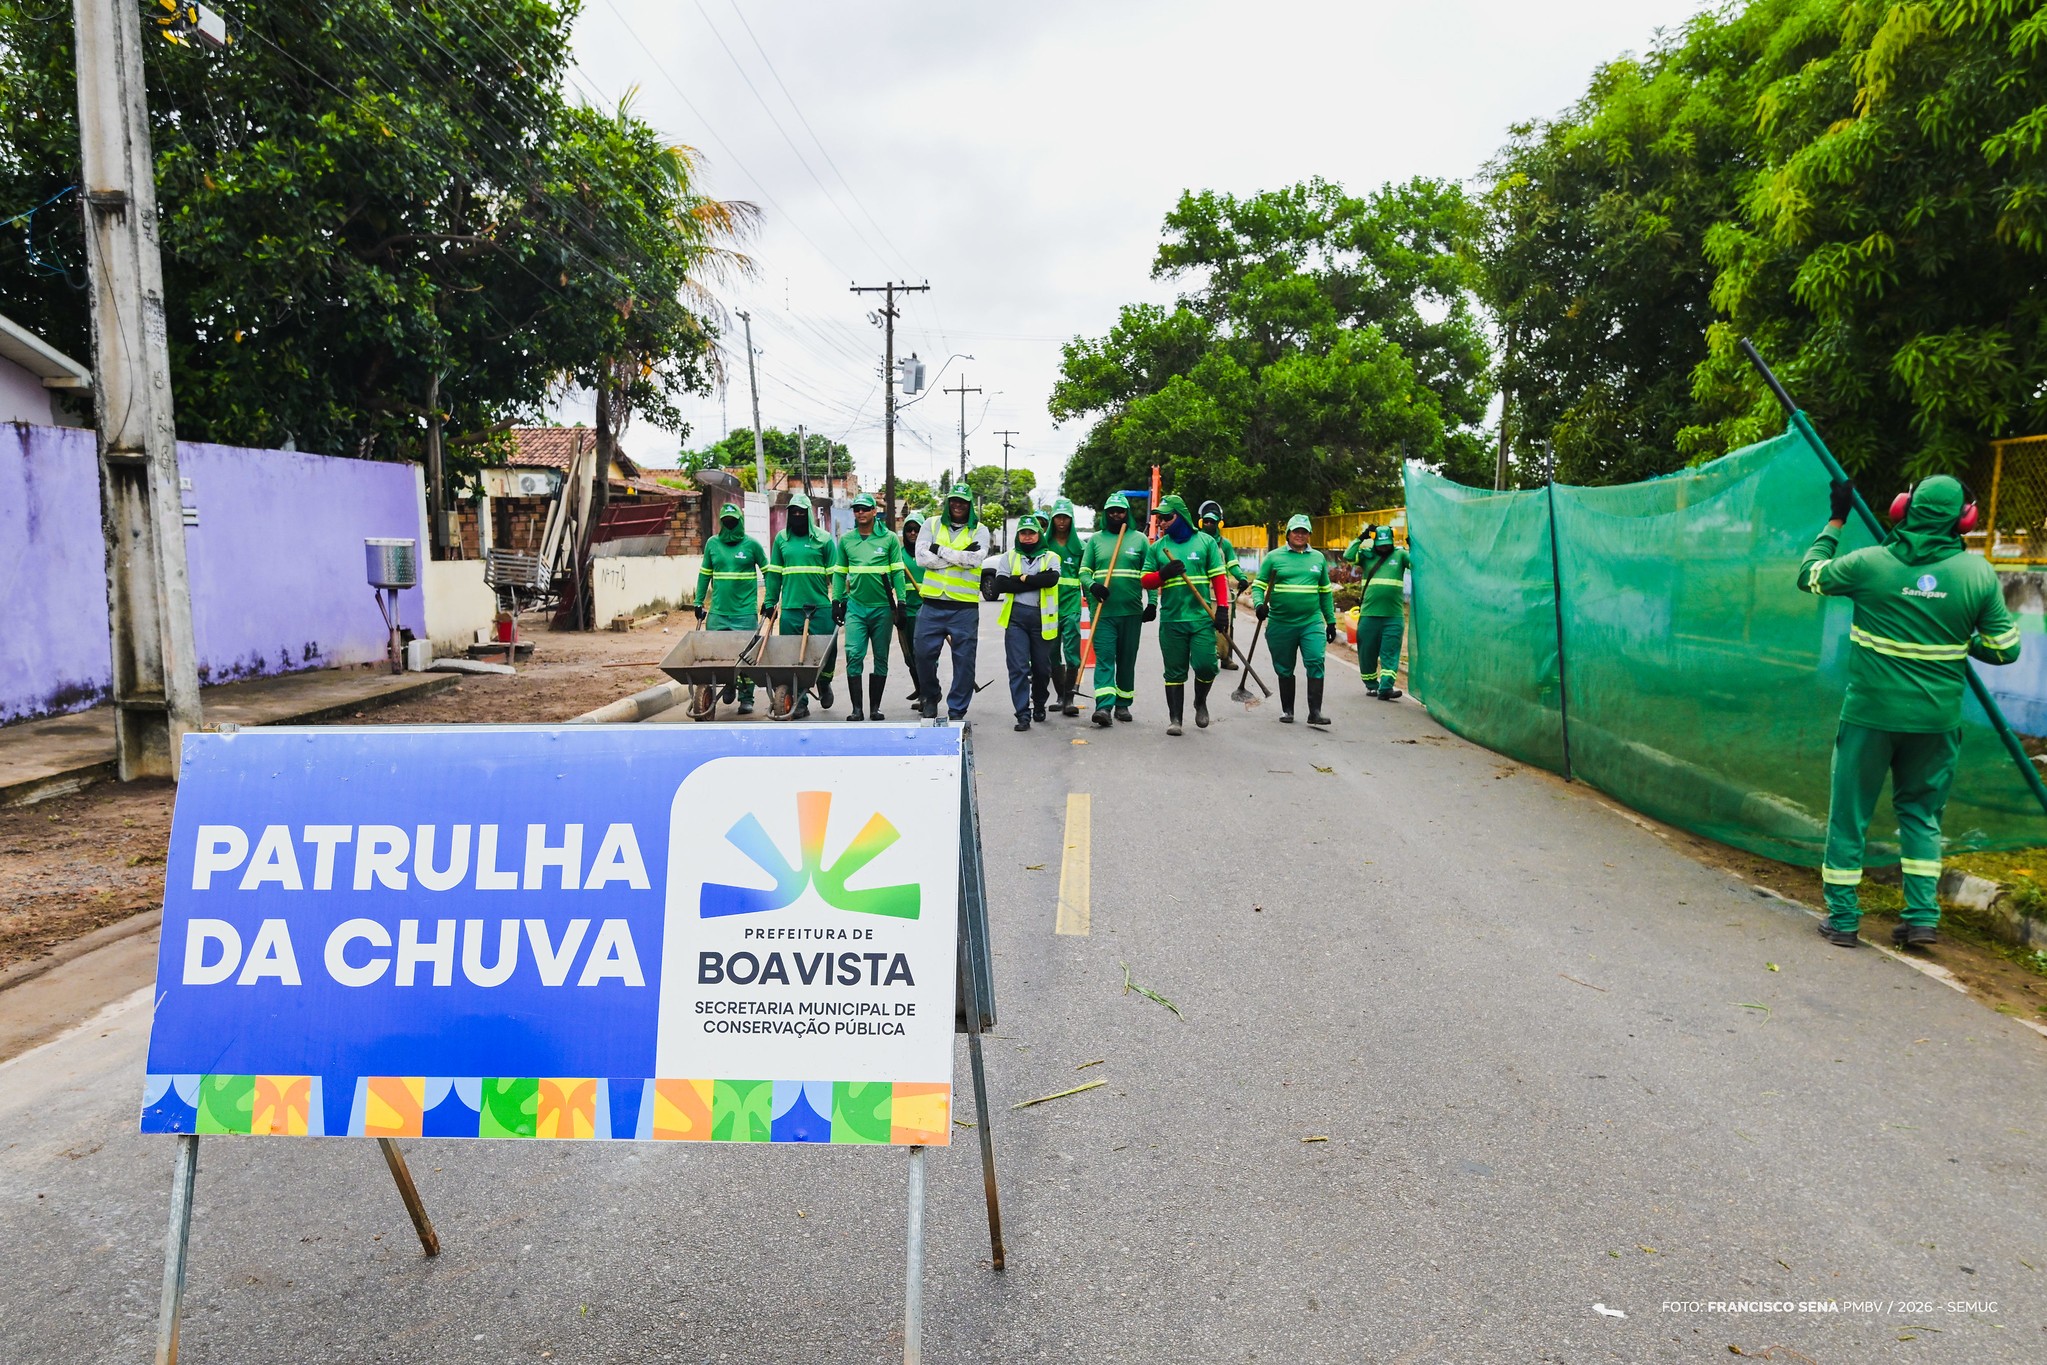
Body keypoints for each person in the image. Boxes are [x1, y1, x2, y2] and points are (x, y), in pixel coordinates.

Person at [1799, 474, 2021, 949]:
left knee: (1849, 816)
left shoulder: (1868, 564)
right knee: (1921, 815)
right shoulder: (1977, 574)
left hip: (1869, 717)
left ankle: (1843, 919)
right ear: (1965, 520)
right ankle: (1921, 918)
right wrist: (1962, 641)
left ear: (1904, 508)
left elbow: (1810, 575)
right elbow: (2006, 650)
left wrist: (1836, 520)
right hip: (1935, 723)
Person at [1140, 493, 1231, 736]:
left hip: (1201, 619)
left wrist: (1223, 608)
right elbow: (1145, 580)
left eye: (1166, 517)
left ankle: (1200, 701)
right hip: (1172, 620)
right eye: (1159, 519)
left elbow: (1219, 577)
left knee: (1206, 666)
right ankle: (1175, 720)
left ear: (1180, 516)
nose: (1162, 523)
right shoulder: (1158, 548)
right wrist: (1163, 574)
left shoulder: (1205, 542)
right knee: (1174, 671)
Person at [914, 482, 991, 720]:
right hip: (932, 604)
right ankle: (930, 695)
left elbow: (974, 560)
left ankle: (957, 710)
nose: (958, 505)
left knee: (964, 662)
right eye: (954, 500)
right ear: (948, 502)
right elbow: (921, 559)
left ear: (970, 505)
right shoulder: (931, 524)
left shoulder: (980, 530)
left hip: (964, 608)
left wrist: (939, 549)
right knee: (922, 655)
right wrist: (959, 556)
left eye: (963, 502)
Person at [1253, 514, 1337, 727]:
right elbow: (1259, 585)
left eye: (1304, 532)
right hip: (1281, 622)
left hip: (1311, 621)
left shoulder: (1318, 558)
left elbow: (1325, 591)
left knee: (1316, 659)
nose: (1300, 535)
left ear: (1309, 535)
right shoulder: (1273, 558)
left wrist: (1331, 621)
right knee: (1284, 667)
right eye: (1296, 531)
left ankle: (1315, 712)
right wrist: (1259, 605)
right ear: (1288, 534)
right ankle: (1287, 710)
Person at [832, 493, 909, 722]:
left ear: (874, 511)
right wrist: (836, 601)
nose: (860, 513)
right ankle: (857, 709)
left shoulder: (889, 539)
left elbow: (898, 572)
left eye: (865, 509)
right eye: (856, 509)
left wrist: (901, 602)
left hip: (883, 608)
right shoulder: (847, 540)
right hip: (856, 607)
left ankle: (875, 708)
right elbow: (839, 573)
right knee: (853, 654)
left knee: (881, 657)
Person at [1078, 491, 1152, 727]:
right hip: (1103, 612)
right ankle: (1104, 707)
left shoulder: (1140, 540)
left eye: (1120, 511)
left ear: (1126, 514)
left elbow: (1149, 575)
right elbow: (1083, 571)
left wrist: (1152, 603)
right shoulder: (1095, 540)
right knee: (1105, 659)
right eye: (1111, 511)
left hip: (1131, 611)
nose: (1116, 515)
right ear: (1105, 514)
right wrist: (1093, 586)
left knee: (1127, 660)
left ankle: (1123, 704)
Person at [762, 491, 838, 720]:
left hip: (820, 608)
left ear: (809, 515)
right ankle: (800, 703)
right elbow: (774, 574)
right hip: (791, 609)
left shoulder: (824, 540)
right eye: (793, 512)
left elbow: (836, 575)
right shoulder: (781, 540)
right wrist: (770, 602)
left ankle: (824, 681)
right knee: (793, 658)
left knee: (829, 651)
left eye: (801, 512)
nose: (797, 516)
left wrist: (839, 601)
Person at [692, 501, 770, 715]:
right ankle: (728, 684)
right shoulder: (712, 544)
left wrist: (770, 600)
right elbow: (704, 575)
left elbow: (769, 573)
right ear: (721, 523)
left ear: (740, 522)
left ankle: (746, 697)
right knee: (719, 656)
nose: (729, 525)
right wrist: (698, 602)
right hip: (718, 614)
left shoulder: (752, 545)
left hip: (744, 614)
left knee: (746, 657)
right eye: (726, 522)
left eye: (733, 522)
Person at [986, 513, 1063, 731]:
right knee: (1018, 668)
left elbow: (1051, 579)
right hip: (1016, 620)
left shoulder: (1051, 557)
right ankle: (1022, 714)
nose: (1027, 537)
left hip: (1042, 620)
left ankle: (1039, 704)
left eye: (1032, 533)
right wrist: (1035, 580)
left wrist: (1020, 579)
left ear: (1039, 535)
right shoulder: (1009, 557)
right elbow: (1001, 585)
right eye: (1023, 533)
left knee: (1041, 669)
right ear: (1018, 535)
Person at [1344, 523, 1412, 700]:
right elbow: (1348, 555)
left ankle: (1386, 687)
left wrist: (1414, 547)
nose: (1383, 548)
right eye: (1380, 545)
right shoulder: (1367, 556)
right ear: (1375, 543)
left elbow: (1416, 565)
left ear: (1392, 541)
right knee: (1367, 651)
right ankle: (1371, 685)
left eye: (1386, 544)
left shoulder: (1400, 555)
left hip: (1393, 616)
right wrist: (1361, 538)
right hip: (1369, 614)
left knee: (1390, 652)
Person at [1045, 497, 1088, 715]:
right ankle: (1060, 696)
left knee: (1072, 649)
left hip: (1071, 604)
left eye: (1066, 517)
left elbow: (1085, 575)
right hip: (1049, 606)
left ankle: (1070, 698)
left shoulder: (1080, 548)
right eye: (1058, 517)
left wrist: (1091, 596)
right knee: (1052, 650)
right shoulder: (1045, 546)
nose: (1061, 521)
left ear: (1071, 520)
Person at [1198, 500, 1251, 672]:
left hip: (1220, 589)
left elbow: (1232, 564)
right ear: (1201, 522)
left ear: (1218, 524)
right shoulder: (1197, 541)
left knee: (1225, 622)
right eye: (1206, 521)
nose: (1209, 524)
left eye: (1212, 522)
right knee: (1202, 622)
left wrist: (1241, 578)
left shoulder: (1224, 544)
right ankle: (1203, 654)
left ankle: (1226, 657)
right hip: (1202, 588)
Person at [897, 512, 928, 711]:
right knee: (909, 656)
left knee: (925, 654)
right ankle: (920, 688)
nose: (913, 533)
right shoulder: (899, 555)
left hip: (927, 610)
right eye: (909, 529)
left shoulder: (929, 553)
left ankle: (929, 693)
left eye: (917, 529)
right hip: (906, 611)